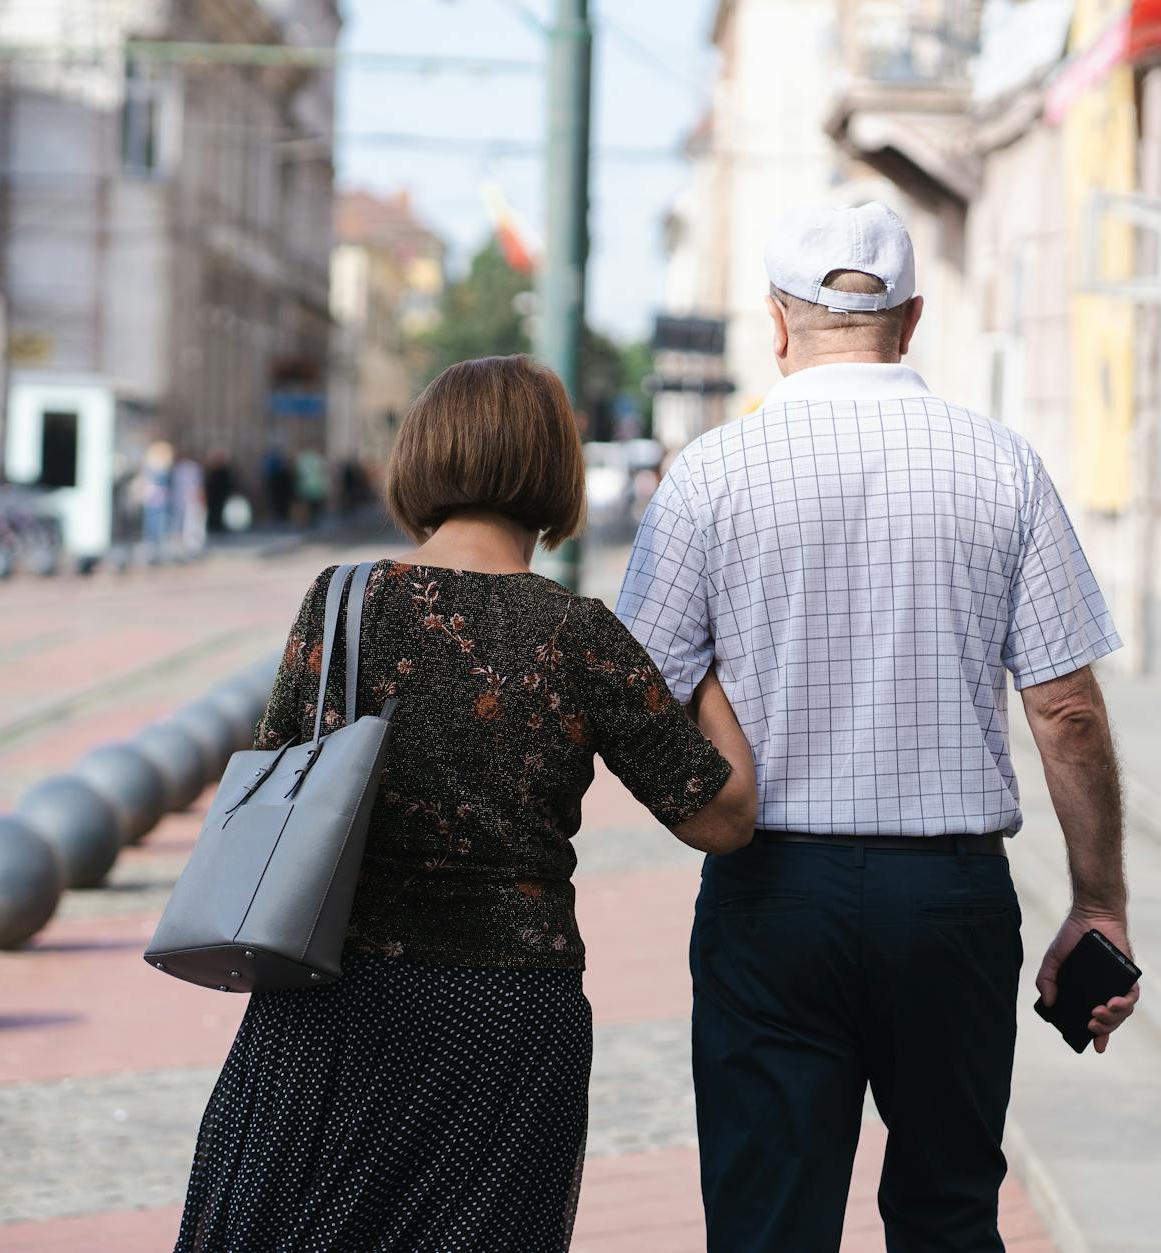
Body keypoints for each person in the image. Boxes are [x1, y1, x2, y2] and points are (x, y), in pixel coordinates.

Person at [617, 202, 1140, 1252]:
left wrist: (722, 703)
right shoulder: (1001, 465)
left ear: (776, 322)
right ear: (909, 319)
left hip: (769, 894)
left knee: (768, 1222)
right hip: (945, 899)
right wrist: (1096, 899)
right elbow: (1067, 710)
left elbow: (635, 692)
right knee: (948, 1214)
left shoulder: (709, 477)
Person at [175, 355, 759, 1252]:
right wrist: (706, 674)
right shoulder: (578, 632)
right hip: (507, 1021)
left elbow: (273, 779)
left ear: (423, 457)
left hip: (330, 1003)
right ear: (554, 474)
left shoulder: (340, 604)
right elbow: (723, 815)